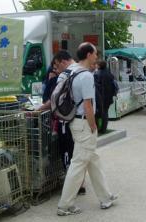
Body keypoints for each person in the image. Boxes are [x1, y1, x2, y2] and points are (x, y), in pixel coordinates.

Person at [57, 43, 117, 216]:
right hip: (84, 123)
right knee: (79, 164)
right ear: (89, 54)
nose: (96, 57)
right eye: (95, 54)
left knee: (92, 159)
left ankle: (106, 196)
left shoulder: (68, 71)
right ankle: (65, 205)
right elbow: (88, 104)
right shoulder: (86, 76)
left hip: (72, 121)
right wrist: (93, 125)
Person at [52, 50, 86, 195]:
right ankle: (81, 183)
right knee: (79, 153)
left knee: (68, 152)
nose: (56, 69)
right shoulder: (83, 71)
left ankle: (72, 186)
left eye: (56, 65)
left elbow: (57, 97)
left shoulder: (65, 74)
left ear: (62, 61)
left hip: (66, 118)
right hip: (81, 119)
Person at [94, 60, 116, 134]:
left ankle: (97, 128)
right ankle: (104, 128)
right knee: (105, 113)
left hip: (100, 97)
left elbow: (96, 87)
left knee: (97, 113)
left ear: (99, 66)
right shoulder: (109, 73)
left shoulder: (97, 74)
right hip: (108, 97)